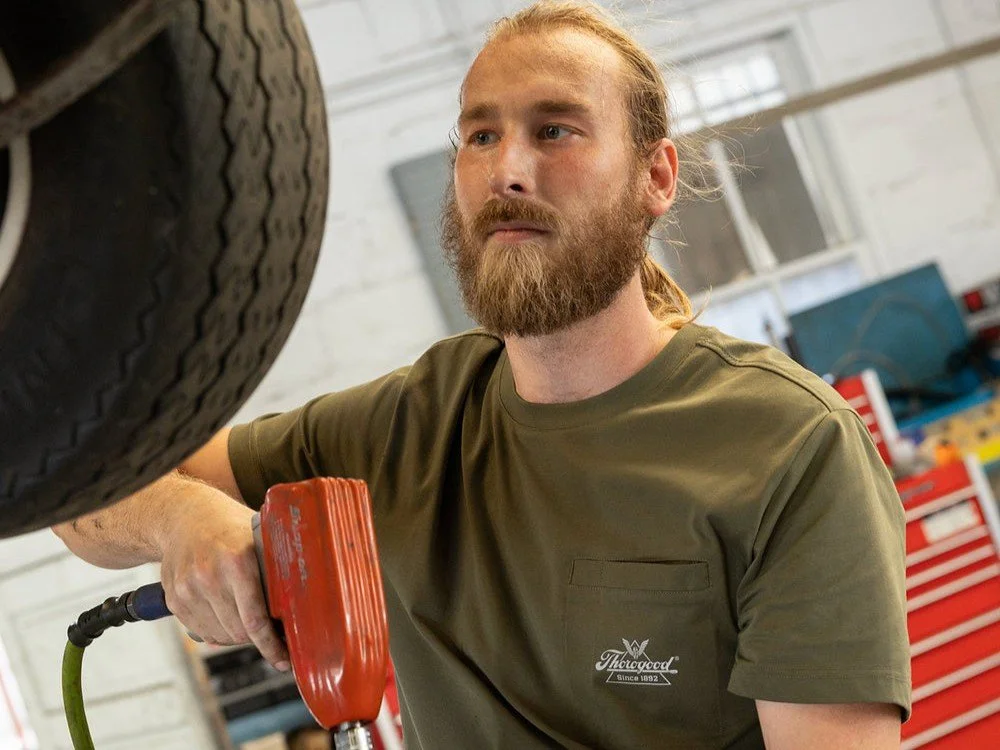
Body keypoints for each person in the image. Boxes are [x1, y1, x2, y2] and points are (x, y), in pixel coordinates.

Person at [53, 2, 911, 747]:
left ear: (655, 177)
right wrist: (179, 517)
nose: (507, 168)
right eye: (480, 134)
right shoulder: (405, 429)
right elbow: (85, 485)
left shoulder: (790, 448)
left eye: (556, 130)